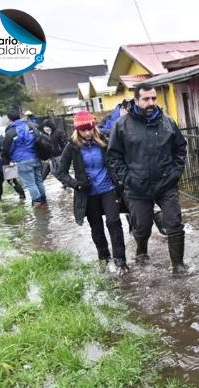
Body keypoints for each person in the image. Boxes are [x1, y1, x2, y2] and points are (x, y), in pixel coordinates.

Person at [107, 84, 187, 273]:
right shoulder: (122, 125)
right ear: (136, 100)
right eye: (146, 99)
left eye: (153, 98)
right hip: (137, 187)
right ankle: (141, 250)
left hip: (166, 184)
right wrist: (127, 179)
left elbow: (180, 149)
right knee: (142, 227)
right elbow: (113, 157)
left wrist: (175, 173)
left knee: (174, 223)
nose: (151, 103)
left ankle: (178, 265)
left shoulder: (167, 122)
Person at [56, 111, 128, 273]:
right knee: (96, 227)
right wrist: (77, 184)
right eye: (83, 130)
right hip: (88, 194)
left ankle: (121, 261)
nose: (87, 133)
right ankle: (104, 258)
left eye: (90, 129)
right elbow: (61, 172)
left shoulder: (104, 141)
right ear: (77, 130)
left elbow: (118, 159)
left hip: (108, 189)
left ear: (94, 128)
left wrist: (121, 178)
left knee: (113, 222)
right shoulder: (72, 147)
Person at [2, 109, 47, 207]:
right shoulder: (30, 126)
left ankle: (37, 201)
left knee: (30, 183)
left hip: (22, 161)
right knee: (39, 180)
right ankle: (44, 200)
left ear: (9, 119)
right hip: (35, 157)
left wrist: (8, 159)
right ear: (20, 116)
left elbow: (6, 149)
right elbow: (39, 139)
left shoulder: (10, 132)